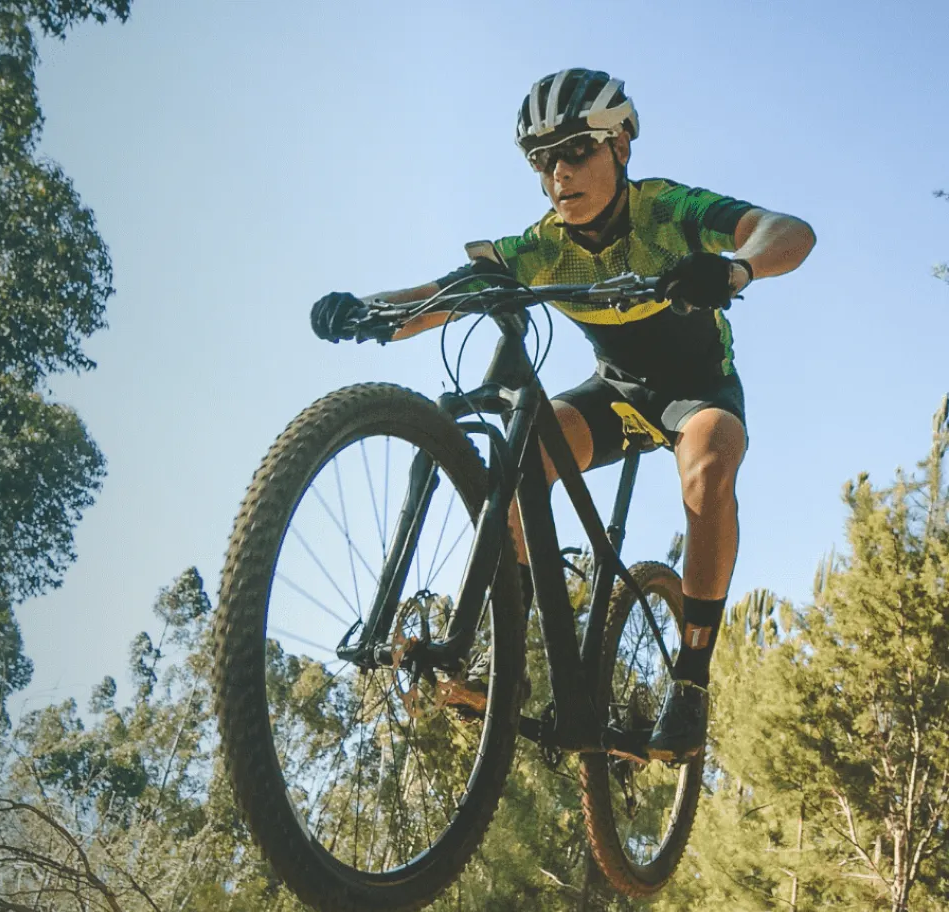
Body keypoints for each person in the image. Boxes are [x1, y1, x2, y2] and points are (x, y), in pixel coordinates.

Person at [309, 68, 815, 762]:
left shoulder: (667, 209)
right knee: (521, 464)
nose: (558, 175)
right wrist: (373, 312)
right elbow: (450, 291)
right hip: (616, 392)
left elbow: (787, 231)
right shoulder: (541, 245)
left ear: (621, 147)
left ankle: (691, 683)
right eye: (542, 161)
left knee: (708, 463)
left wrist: (735, 269)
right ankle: (503, 661)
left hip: (697, 392)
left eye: (575, 150)